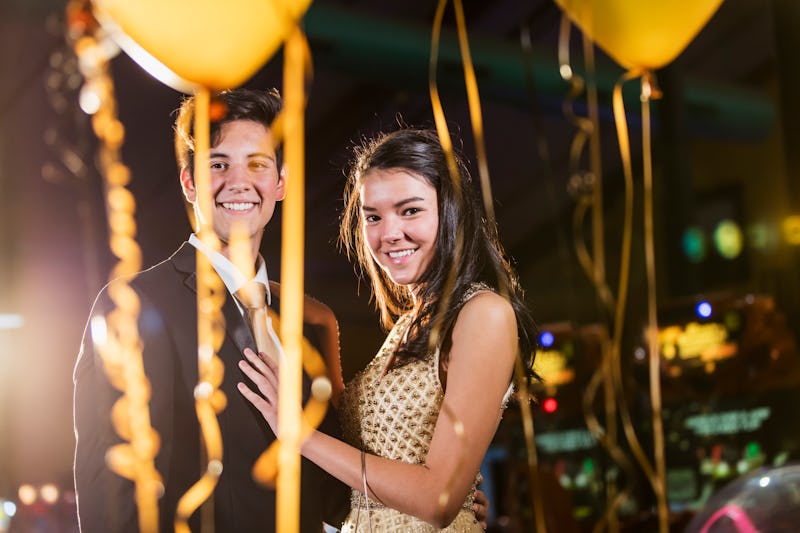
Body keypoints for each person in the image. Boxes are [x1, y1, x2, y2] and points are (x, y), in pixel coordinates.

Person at [72, 88, 349, 532]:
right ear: (190, 182)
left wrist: (427, 504)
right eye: (218, 164)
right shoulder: (134, 304)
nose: (238, 181)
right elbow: (111, 489)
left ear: (281, 181)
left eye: (257, 163)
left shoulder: (308, 322)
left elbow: (333, 491)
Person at [239, 128, 537, 531]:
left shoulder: (484, 313)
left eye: (410, 210)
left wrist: (299, 434)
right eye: (374, 217)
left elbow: (438, 500)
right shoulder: (409, 323)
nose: (389, 233)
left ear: (451, 211)